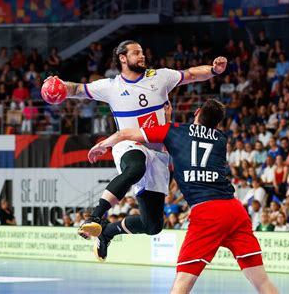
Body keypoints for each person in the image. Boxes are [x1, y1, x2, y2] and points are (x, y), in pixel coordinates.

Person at [88, 99, 278, 294]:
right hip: (234, 210)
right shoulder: (221, 139)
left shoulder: (175, 131)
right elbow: (188, 143)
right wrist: (169, 122)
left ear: (196, 112)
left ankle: (103, 224)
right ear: (218, 125)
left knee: (181, 286)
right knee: (262, 282)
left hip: (207, 213)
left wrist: (102, 145)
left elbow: (126, 134)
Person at [48, 40, 227, 240]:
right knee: (135, 167)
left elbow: (192, 74)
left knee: (153, 225)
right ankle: (95, 216)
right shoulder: (111, 86)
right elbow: (78, 89)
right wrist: (63, 86)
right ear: (122, 58)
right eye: (136, 53)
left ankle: (107, 232)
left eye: (142, 52)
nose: (142, 56)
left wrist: (213, 70)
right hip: (128, 143)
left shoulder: (160, 77)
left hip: (157, 152)